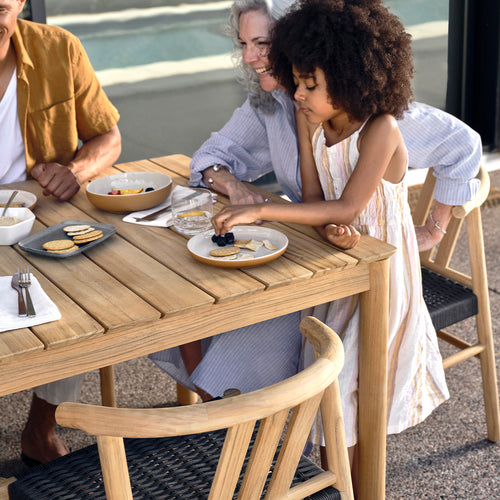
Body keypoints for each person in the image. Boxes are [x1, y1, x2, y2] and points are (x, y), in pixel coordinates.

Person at [150, 0, 481, 401]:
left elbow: (464, 143)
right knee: (197, 307)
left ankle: (255, 426)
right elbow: (209, 159)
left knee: (234, 324)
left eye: (262, 43)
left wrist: (432, 230)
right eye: (243, 44)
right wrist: (236, 188)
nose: (250, 57)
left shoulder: (369, 112)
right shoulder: (273, 107)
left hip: (360, 270)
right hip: (317, 250)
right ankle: (238, 424)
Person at [211, 0, 450, 491]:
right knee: (331, 397)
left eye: (310, 84)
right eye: (296, 81)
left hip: (383, 274)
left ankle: (363, 490)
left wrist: (261, 208)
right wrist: (330, 233)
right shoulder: (308, 119)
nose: (297, 94)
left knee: (360, 393)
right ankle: (339, 485)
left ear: (349, 77)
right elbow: (319, 201)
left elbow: (346, 206)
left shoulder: (380, 129)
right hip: (339, 267)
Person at [0, 0, 121, 464]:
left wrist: (76, 169)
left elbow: (108, 137)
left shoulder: (59, 49)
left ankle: (41, 427)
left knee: (86, 295)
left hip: (41, 219)